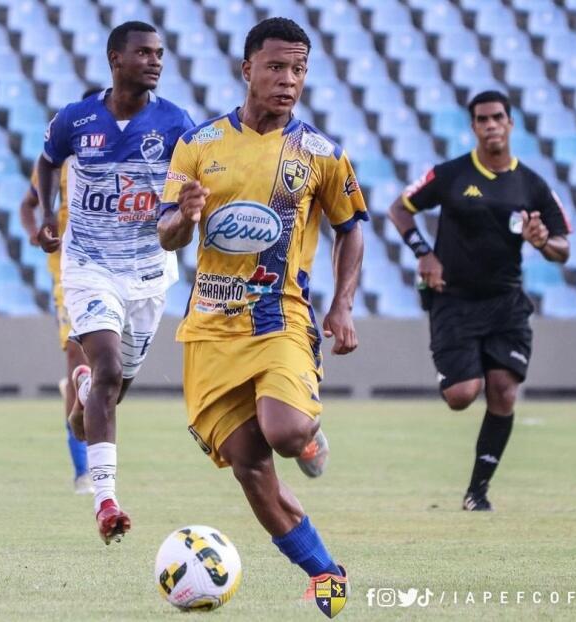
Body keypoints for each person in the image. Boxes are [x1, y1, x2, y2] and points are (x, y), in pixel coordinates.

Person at [157, 18, 367, 600]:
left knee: (284, 429)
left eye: (298, 70)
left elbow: (352, 230)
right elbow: (167, 233)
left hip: (280, 317)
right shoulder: (198, 146)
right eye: (276, 67)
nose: (288, 80)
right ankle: (327, 575)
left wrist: (343, 304)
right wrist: (184, 215)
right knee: (249, 465)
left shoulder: (320, 154)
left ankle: (308, 434)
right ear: (246, 68)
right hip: (209, 329)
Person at [36, 21, 194, 544]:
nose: (155, 61)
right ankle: (106, 501)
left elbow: (188, 193)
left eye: (160, 54)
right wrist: (48, 211)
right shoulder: (76, 120)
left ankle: (82, 390)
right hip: (89, 267)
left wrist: (188, 214)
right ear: (115, 59)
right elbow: (46, 162)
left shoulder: (176, 124)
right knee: (105, 367)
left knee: (103, 398)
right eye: (143, 53)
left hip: (148, 275)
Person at [388, 90, 571, 511]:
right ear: (473, 127)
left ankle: (478, 492)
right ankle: (452, 373)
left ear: (510, 123)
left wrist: (545, 242)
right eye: (482, 119)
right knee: (462, 395)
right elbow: (399, 209)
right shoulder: (451, 174)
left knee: (504, 390)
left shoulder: (532, 183)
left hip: (505, 302)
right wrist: (424, 253)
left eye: (498, 118)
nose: (491, 125)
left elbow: (562, 245)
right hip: (453, 299)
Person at [19, 87, 101, 496]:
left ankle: (98, 463)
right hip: (67, 275)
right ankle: (83, 470)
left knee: (107, 370)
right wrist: (37, 232)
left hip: (111, 271)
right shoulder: (60, 161)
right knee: (77, 356)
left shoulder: (121, 159)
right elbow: (28, 204)